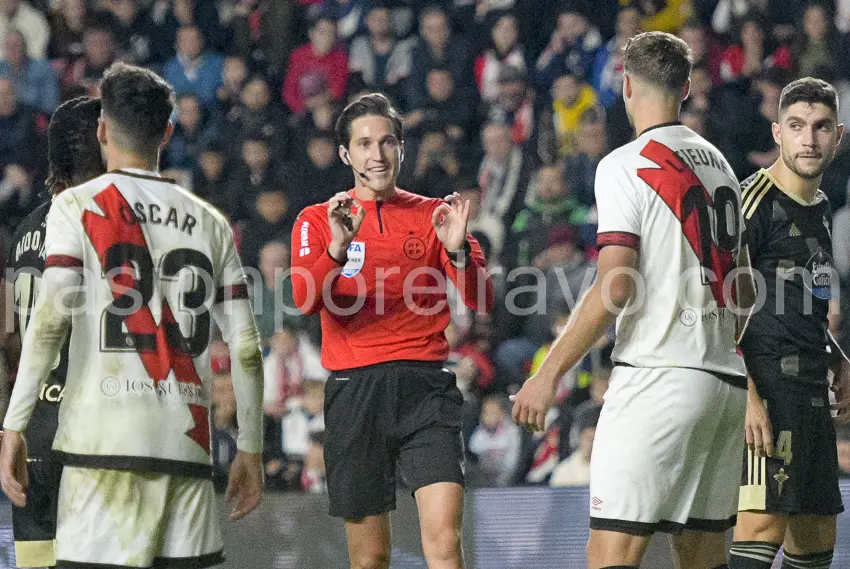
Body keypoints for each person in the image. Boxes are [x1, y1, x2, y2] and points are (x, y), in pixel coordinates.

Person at [0, 62, 265, 568]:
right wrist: (250, 448)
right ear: (167, 131)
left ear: (102, 130)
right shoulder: (210, 223)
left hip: (100, 451)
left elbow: (52, 317)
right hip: (186, 450)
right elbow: (247, 350)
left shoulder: (75, 206)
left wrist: (14, 424)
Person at [511, 31, 749, 569]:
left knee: (612, 552)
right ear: (686, 88)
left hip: (658, 379)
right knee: (704, 558)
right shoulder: (723, 168)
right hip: (722, 385)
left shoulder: (625, 164)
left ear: (624, 86)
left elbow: (616, 287)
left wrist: (548, 374)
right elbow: (746, 290)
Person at [290, 92, 494, 569]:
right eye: (364, 144)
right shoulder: (318, 219)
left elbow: (482, 301)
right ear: (345, 154)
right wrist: (338, 249)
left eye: (386, 142)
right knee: (370, 556)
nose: (376, 155)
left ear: (402, 148)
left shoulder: (435, 215)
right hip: (354, 390)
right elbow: (304, 300)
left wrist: (458, 252)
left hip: (425, 388)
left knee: (444, 541)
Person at [729, 77, 850, 569]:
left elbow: (802, 300)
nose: (809, 139)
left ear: (837, 135)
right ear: (777, 132)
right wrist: (745, 394)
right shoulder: (750, 200)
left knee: (817, 531)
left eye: (821, 128)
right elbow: (713, 301)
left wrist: (838, 357)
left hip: (811, 393)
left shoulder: (820, 208)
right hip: (765, 389)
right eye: (797, 126)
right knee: (762, 525)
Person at [3, 95, 104, 568]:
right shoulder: (105, 226)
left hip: (36, 428)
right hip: (96, 432)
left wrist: (13, 423)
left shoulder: (26, 227)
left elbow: (11, 338)